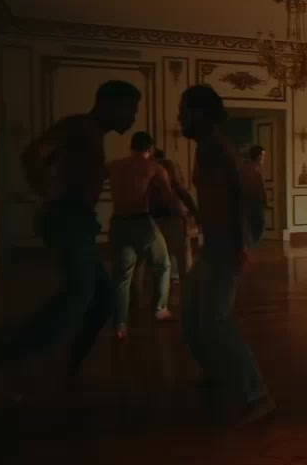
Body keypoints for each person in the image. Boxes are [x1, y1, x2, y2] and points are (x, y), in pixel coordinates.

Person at [11, 80, 141, 375]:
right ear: (110, 104)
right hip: (69, 218)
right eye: (130, 110)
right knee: (79, 293)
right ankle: (16, 356)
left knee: (103, 298)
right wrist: (49, 193)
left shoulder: (91, 132)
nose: (133, 118)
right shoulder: (78, 126)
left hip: (79, 220)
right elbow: (32, 154)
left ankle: (70, 364)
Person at [177, 85, 273, 425]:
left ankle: (256, 395)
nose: (179, 118)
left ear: (199, 113)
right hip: (213, 244)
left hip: (224, 245)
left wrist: (242, 244)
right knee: (193, 316)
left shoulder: (217, 148)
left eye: (183, 111)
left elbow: (241, 193)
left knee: (215, 321)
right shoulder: (207, 147)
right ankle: (217, 372)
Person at [107, 132, 182, 339]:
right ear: (150, 149)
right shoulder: (153, 167)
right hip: (141, 221)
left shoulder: (113, 165)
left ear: (131, 147)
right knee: (163, 264)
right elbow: (169, 197)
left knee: (122, 275)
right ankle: (160, 309)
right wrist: (182, 216)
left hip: (118, 222)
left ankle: (120, 325)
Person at [152, 149, 197, 283]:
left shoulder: (151, 168)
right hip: (170, 217)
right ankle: (185, 291)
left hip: (159, 219)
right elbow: (182, 192)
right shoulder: (167, 167)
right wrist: (195, 213)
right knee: (181, 262)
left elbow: (182, 192)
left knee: (162, 265)